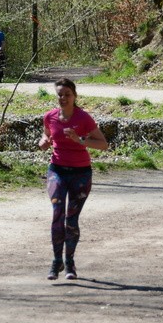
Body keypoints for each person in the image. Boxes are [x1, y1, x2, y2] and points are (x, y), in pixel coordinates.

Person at [37, 78, 108, 280]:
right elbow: (46, 137)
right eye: (60, 94)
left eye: (67, 94)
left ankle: (70, 263)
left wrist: (81, 140)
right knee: (57, 213)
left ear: (75, 96)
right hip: (57, 170)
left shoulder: (83, 118)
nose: (63, 98)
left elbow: (103, 144)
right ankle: (56, 262)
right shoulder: (49, 117)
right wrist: (43, 142)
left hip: (80, 173)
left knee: (71, 220)